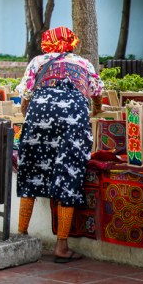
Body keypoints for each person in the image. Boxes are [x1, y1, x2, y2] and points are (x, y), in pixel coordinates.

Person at [15, 26, 103, 263]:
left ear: (47, 44)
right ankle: (61, 247)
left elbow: (25, 96)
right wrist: (96, 109)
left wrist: (29, 116)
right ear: (72, 43)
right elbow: (96, 92)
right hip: (73, 117)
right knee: (68, 173)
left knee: (31, 170)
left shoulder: (38, 62)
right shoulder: (84, 63)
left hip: (39, 113)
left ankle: (21, 235)